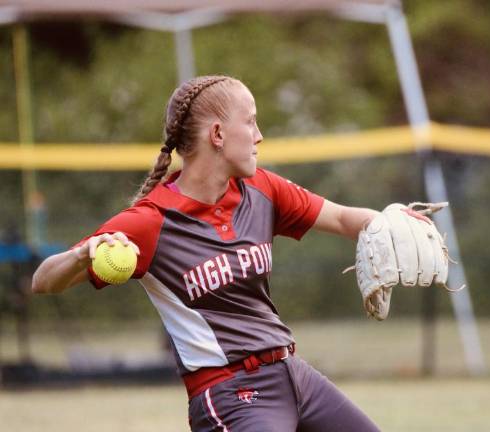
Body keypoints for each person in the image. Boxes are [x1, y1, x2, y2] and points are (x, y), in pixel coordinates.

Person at [31, 75, 384, 432]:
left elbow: (341, 217)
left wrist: (390, 221)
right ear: (217, 135)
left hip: (293, 375)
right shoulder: (151, 222)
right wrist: (81, 256)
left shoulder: (261, 188)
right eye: (250, 122)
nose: (259, 135)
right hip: (231, 393)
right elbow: (43, 280)